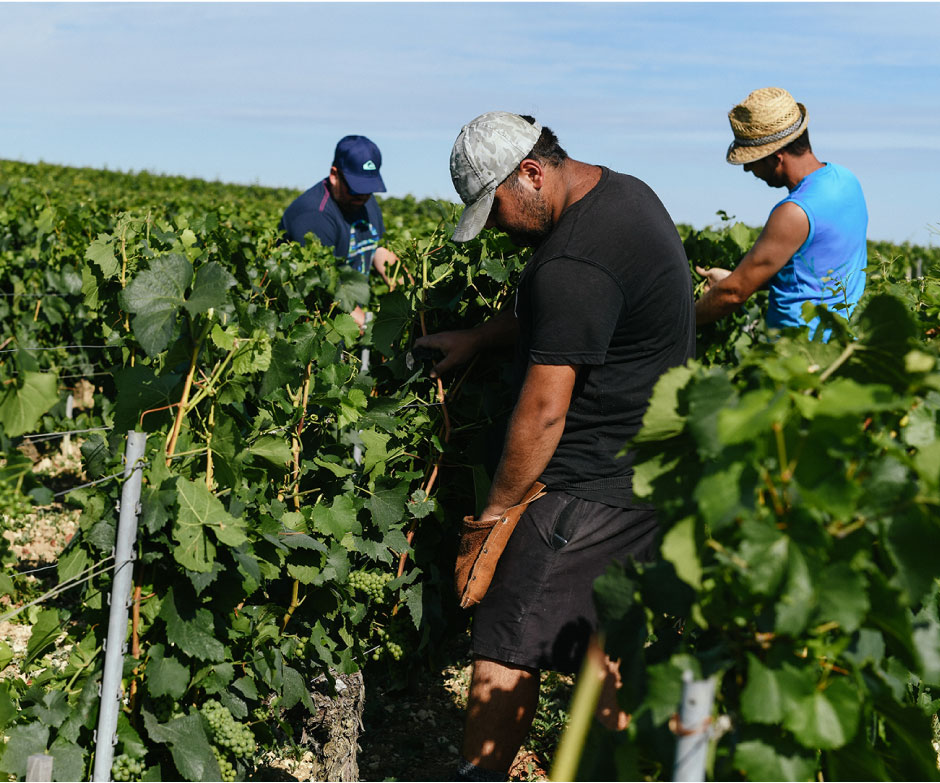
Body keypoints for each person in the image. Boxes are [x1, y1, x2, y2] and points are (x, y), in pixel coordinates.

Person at [413, 112, 695, 781]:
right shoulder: (624, 195)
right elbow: (579, 322)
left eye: (498, 207)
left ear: (531, 173)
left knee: (506, 642)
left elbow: (542, 415)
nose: (501, 226)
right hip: (647, 473)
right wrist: (482, 337)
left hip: (587, 483)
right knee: (604, 651)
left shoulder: (569, 260)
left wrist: (498, 516)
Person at [695, 87, 868, 334]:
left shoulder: (793, 212)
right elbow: (814, 271)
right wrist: (734, 276)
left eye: (751, 161)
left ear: (776, 158)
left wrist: (681, 322)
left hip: (799, 351)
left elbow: (734, 294)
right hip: (839, 344)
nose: (747, 170)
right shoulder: (846, 181)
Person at [280, 135, 399, 330]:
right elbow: (323, 285)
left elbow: (379, 251)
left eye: (368, 189)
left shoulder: (365, 201)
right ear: (334, 175)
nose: (362, 196)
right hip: (318, 321)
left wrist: (412, 298)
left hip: (349, 313)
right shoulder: (315, 215)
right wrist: (371, 327)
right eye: (355, 189)